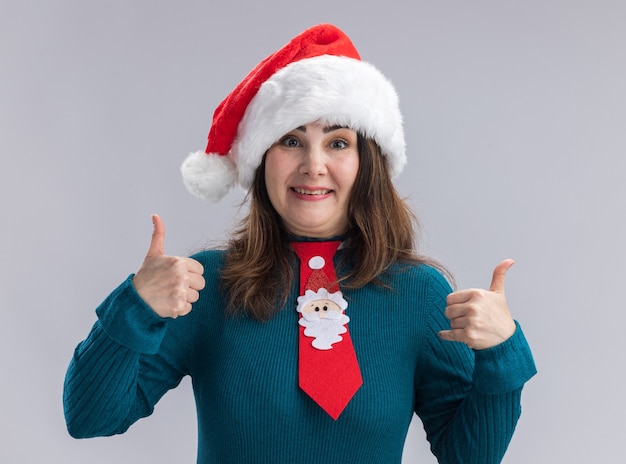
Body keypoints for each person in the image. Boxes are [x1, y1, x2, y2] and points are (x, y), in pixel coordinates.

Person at [63, 23, 536, 463]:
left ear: (366, 163)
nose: (313, 165)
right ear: (261, 160)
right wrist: (135, 307)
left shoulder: (419, 292)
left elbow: (469, 455)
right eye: (290, 140)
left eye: (337, 143)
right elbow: (90, 418)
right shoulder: (209, 287)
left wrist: (500, 352)